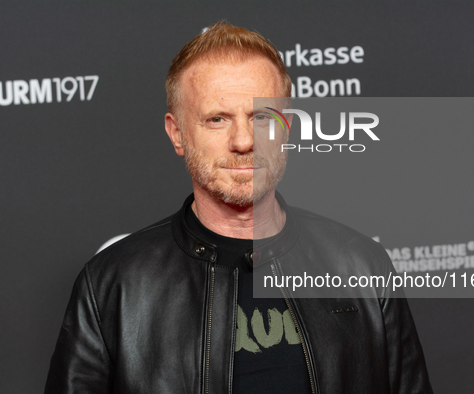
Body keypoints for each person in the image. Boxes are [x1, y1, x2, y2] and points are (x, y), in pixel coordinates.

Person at [45, 21, 433, 393]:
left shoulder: (362, 266)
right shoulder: (112, 285)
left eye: (261, 117)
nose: (244, 141)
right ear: (177, 133)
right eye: (217, 119)